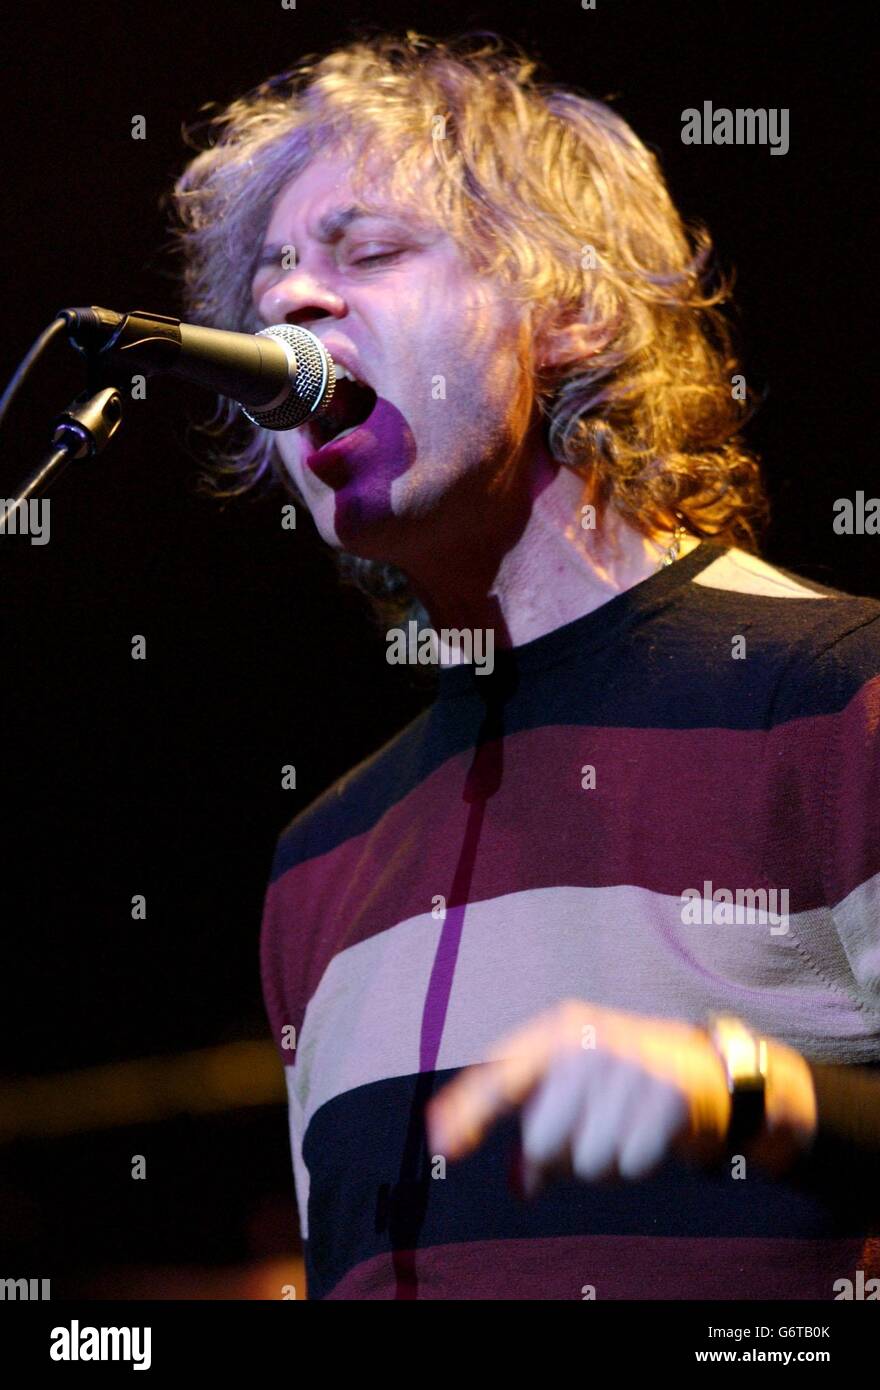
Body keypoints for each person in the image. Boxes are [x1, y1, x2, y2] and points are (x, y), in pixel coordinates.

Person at [173, 32, 880, 1300]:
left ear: (572, 309)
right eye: (269, 283)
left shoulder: (842, 696)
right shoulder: (317, 864)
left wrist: (758, 1096)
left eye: (370, 251)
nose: (287, 307)